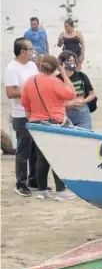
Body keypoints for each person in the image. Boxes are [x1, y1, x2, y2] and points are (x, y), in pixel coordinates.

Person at [20, 55, 77, 200]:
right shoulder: (56, 82)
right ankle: (60, 191)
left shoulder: (30, 81)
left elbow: (25, 104)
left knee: (41, 157)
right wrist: (64, 74)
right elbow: (72, 94)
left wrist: (32, 120)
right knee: (57, 157)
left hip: (36, 123)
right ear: (55, 68)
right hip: (55, 123)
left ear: (40, 66)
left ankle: (43, 191)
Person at [4, 37, 40, 197]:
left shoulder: (32, 65)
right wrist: (29, 93)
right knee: (23, 150)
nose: (33, 52)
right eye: (30, 49)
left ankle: (33, 180)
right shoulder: (12, 68)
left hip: (36, 113)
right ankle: (20, 183)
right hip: (20, 114)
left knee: (35, 149)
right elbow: (10, 92)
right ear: (23, 52)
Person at [56, 51, 96, 130]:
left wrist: (84, 101)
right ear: (63, 63)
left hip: (83, 113)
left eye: (74, 61)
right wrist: (68, 104)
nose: (73, 63)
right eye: (70, 61)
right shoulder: (57, 79)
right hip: (65, 114)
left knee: (85, 136)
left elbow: (92, 94)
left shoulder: (81, 76)